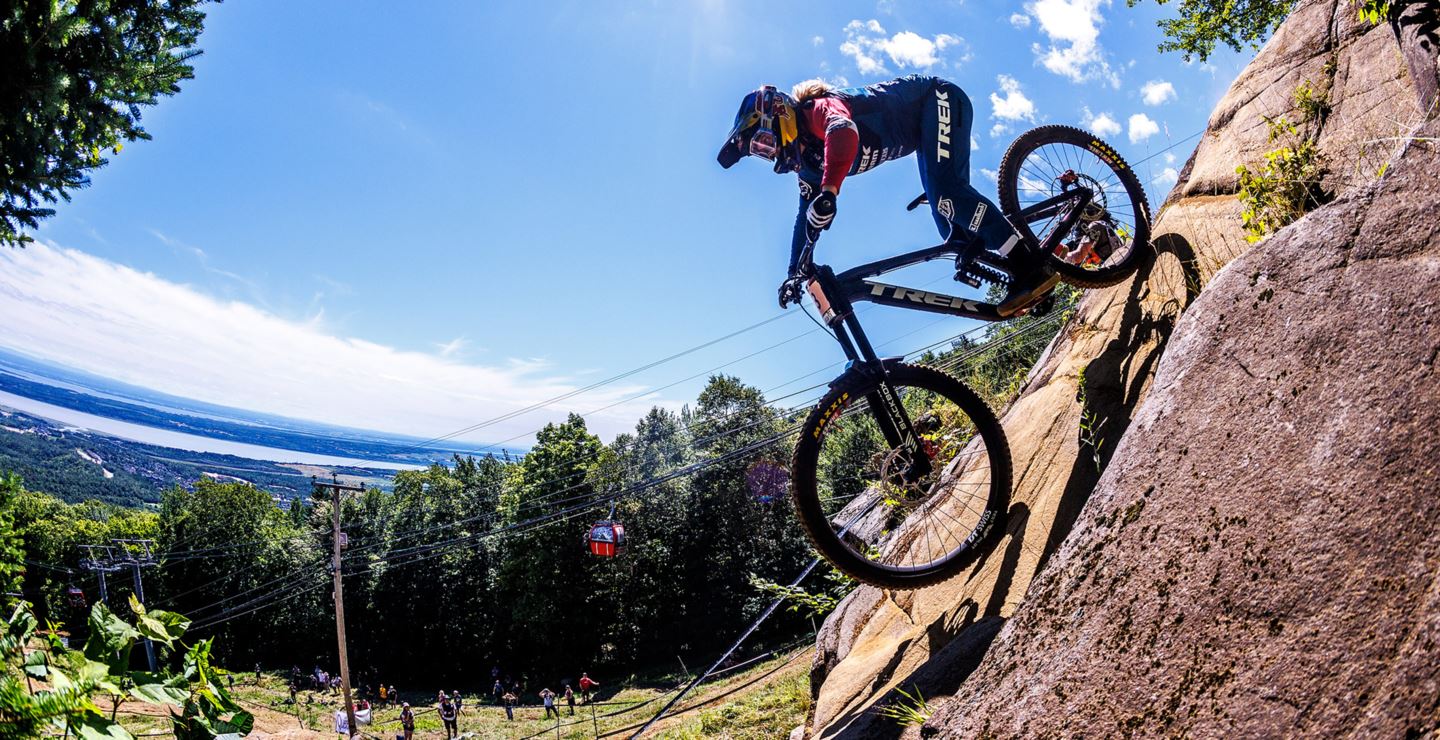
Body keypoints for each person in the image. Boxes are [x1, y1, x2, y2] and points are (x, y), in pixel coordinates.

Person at [718, 75, 1056, 315]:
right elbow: (804, 219)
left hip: (937, 99)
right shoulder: (807, 164)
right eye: (760, 153)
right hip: (922, 135)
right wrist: (794, 271)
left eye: (764, 143)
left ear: (779, 113)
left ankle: (1028, 264)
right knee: (954, 235)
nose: (770, 153)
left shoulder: (817, 110)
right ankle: (1028, 285)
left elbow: (844, 131)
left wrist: (831, 190)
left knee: (947, 196)